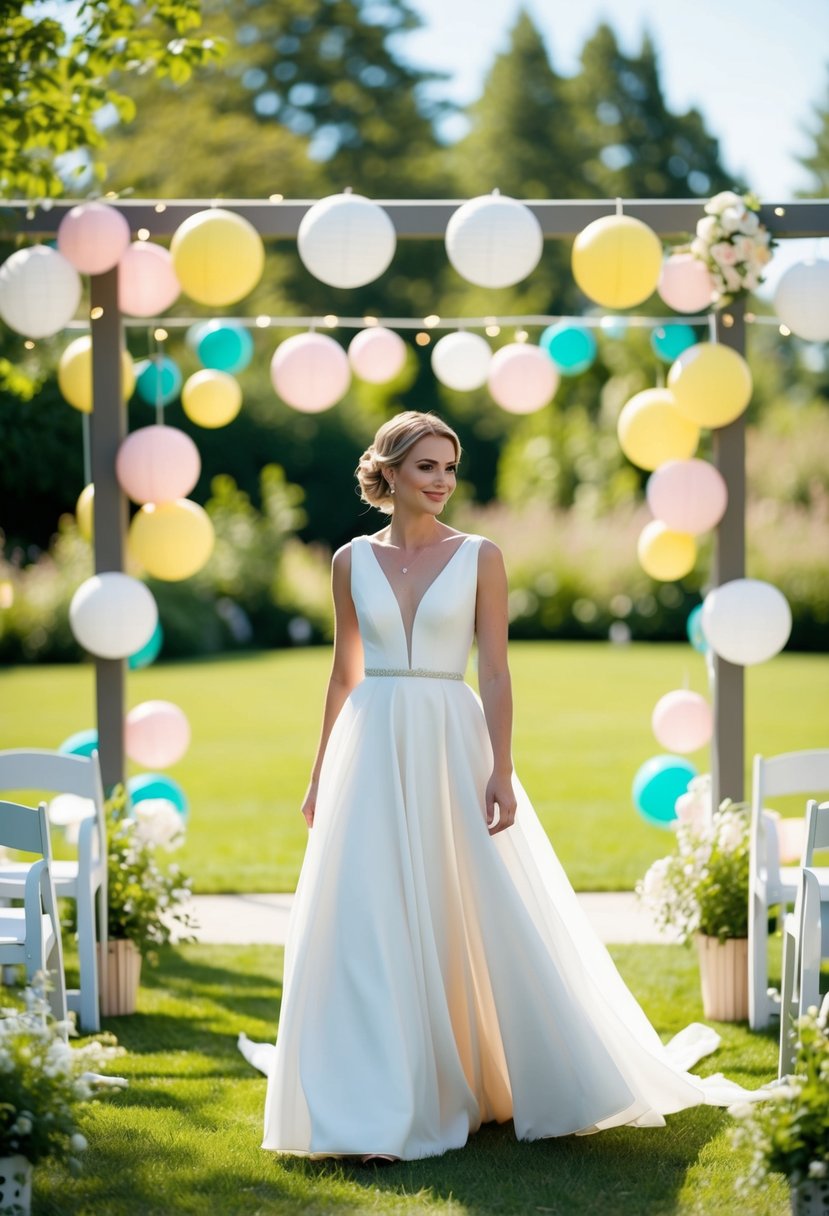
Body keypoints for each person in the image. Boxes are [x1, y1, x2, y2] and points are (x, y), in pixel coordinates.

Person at [251, 409, 759, 1164]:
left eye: (450, 469)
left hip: (450, 741)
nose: (442, 482)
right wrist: (319, 772)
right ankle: (374, 1106)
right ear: (388, 471)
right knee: (365, 916)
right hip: (370, 741)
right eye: (427, 467)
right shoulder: (348, 561)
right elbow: (342, 672)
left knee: (469, 904)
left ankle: (481, 1073)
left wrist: (501, 767)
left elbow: (493, 669)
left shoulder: (480, 556)